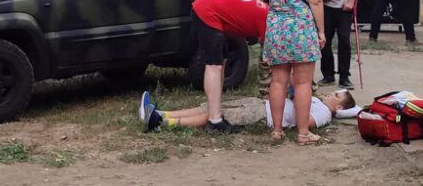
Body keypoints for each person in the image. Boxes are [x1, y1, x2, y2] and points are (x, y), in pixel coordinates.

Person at [261, 0, 325, 145]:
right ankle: (303, 133)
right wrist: (321, 31)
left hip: (277, 28)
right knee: (303, 82)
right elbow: (315, 2)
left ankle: (277, 130)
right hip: (302, 28)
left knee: (277, 80)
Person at [182, 0, 268, 134]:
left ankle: (215, 111)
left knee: (222, 59)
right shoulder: (270, 23)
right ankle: (214, 121)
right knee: (214, 64)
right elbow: (273, 62)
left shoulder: (267, 13)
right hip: (207, 11)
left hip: (209, 7)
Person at [139, 89, 356, 135]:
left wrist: (300, 99)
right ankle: (163, 113)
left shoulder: (324, 114)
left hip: (263, 116)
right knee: (212, 107)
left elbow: (305, 122)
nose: (330, 94)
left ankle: (160, 123)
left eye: (336, 96)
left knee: (214, 116)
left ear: (338, 107)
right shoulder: (318, 101)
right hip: (260, 104)